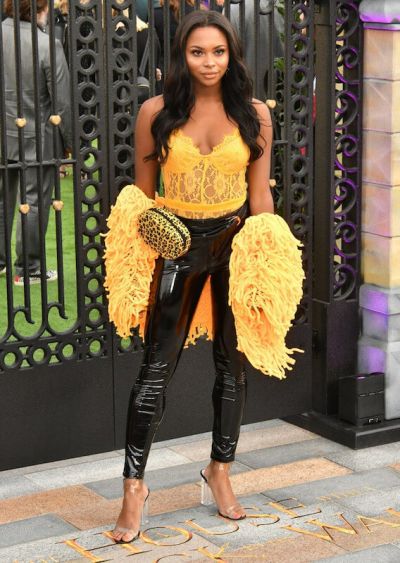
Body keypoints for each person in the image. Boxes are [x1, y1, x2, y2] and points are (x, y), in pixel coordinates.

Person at [111, 10, 274, 544]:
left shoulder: (254, 114)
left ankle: (219, 470)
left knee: (232, 365)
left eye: (218, 52)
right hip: (176, 248)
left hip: (234, 245)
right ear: (182, 55)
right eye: (198, 52)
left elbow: (260, 195)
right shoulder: (155, 112)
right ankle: (134, 488)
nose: (209, 62)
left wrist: (265, 256)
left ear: (232, 55)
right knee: (155, 368)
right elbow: (141, 196)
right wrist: (152, 247)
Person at [0, 0, 72, 284]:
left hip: (4, 131)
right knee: (34, 202)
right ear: (40, 9)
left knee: (3, 198)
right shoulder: (47, 44)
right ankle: (28, 268)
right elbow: (62, 102)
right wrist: (70, 142)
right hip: (38, 137)